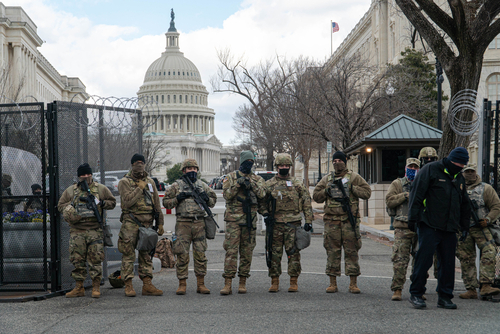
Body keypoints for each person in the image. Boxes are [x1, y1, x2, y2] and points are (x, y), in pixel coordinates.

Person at [408, 147, 471, 309]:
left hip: (450, 227)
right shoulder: (430, 170)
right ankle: (416, 293)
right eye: (457, 163)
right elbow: (417, 195)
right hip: (429, 223)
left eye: (462, 165)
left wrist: (465, 226)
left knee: (448, 263)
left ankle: (444, 296)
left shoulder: (459, 177)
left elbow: (464, 203)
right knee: (424, 260)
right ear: (450, 160)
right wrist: (412, 219)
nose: (460, 167)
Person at [313, 151, 371, 294]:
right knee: (332, 252)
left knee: (352, 252)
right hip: (332, 222)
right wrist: (326, 190)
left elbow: (367, 193)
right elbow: (316, 196)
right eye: (334, 160)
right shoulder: (327, 179)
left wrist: (352, 188)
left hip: (348, 222)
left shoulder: (354, 177)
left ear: (345, 162)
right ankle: (333, 283)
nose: (336, 163)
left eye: (339, 160)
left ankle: (353, 283)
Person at [58, 163, 116, 298]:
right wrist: (70, 208)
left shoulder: (100, 189)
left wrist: (101, 203)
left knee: (96, 259)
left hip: (94, 229)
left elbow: (112, 202)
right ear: (79, 176)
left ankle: (96, 286)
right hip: (77, 230)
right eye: (83, 175)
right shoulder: (71, 191)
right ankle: (79, 287)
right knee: (77, 260)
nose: (86, 177)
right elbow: (60, 205)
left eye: (88, 174)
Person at [163, 158, 217, 295]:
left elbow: (212, 202)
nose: (192, 171)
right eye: (189, 169)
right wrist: (178, 198)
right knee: (182, 255)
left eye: (194, 169)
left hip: (199, 223)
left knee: (200, 255)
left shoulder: (202, 185)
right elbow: (166, 203)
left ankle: (201, 283)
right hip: (183, 224)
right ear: (184, 170)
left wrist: (206, 198)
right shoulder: (176, 186)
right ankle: (182, 284)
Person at [261, 153, 313, 293]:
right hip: (275, 225)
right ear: (277, 167)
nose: (284, 168)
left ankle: (293, 281)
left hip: (293, 224)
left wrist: (309, 220)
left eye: (286, 166)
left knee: (293, 253)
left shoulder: (297, 184)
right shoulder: (269, 184)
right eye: (281, 166)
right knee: (274, 254)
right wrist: (265, 214)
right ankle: (274, 281)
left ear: (289, 167)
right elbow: (262, 202)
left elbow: (306, 201)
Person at [219, 151, 266, 295]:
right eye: (247, 161)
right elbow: (227, 195)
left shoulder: (257, 179)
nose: (249, 164)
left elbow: (262, 194)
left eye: (252, 161)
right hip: (234, 220)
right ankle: (228, 282)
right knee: (231, 252)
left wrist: (251, 184)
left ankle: (242, 282)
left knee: (247, 252)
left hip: (249, 220)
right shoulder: (231, 177)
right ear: (241, 162)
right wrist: (237, 185)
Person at [118, 154, 164, 297]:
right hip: (131, 223)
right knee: (128, 255)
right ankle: (128, 285)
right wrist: (139, 189)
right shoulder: (125, 182)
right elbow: (127, 202)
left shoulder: (150, 182)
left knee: (146, 255)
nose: (140, 165)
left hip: (147, 224)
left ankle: (147, 284)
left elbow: (157, 203)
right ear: (132, 165)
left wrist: (160, 223)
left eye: (142, 162)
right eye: (137, 163)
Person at [457, 164, 500, 299]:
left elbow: (496, 206)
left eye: (472, 171)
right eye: (467, 172)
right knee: (466, 258)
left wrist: (487, 219)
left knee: (490, 251)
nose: (469, 174)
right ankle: (471, 288)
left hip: (481, 227)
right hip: (463, 229)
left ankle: (486, 284)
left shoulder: (486, 188)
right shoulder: (457, 188)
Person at [386, 158, 420, 301]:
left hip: (420, 228)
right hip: (402, 227)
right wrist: (405, 195)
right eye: (410, 167)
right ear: (406, 168)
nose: (413, 169)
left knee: (420, 262)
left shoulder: (423, 183)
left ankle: (418, 289)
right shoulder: (398, 184)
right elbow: (389, 201)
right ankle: (397, 289)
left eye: (415, 167)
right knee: (400, 260)